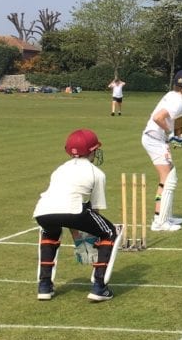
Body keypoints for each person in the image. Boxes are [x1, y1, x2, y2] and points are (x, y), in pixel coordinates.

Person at [33, 129, 119, 302]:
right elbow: (95, 210)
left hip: (43, 211)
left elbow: (64, 203)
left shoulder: (60, 169)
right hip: (73, 210)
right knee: (109, 231)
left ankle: (44, 286)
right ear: (93, 150)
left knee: (50, 233)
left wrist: (79, 234)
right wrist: (89, 238)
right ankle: (99, 287)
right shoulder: (97, 173)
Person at [142, 69, 182, 231]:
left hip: (156, 140)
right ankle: (159, 222)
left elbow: (176, 121)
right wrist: (170, 132)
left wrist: (177, 136)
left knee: (168, 177)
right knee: (169, 178)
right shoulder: (177, 100)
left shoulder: (173, 96)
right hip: (154, 140)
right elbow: (157, 117)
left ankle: (164, 215)